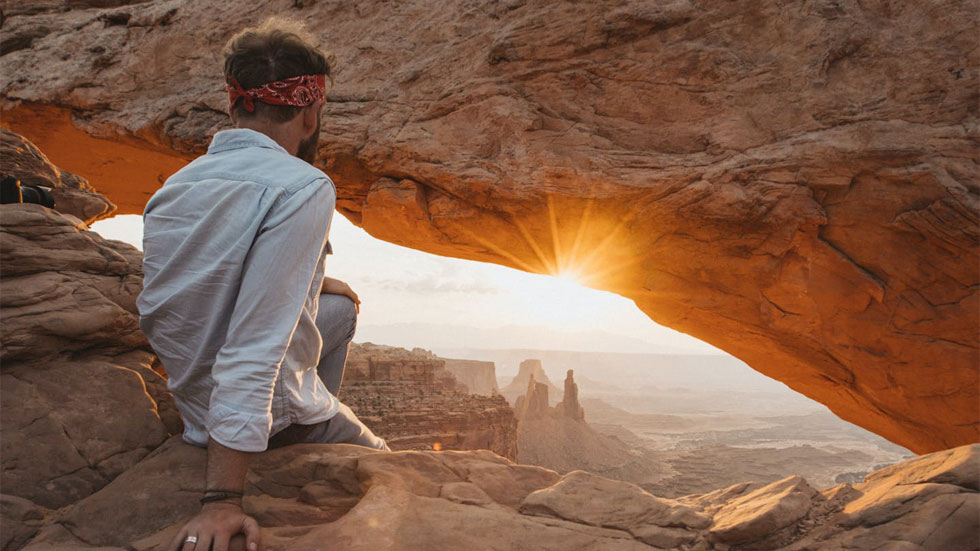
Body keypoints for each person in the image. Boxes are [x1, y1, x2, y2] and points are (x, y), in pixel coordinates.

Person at [136, 19, 389, 551]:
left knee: (339, 309)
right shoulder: (304, 186)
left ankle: (300, 414)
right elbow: (252, 348)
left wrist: (318, 281)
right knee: (388, 464)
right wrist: (221, 501)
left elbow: (195, 294)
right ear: (311, 109)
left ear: (235, 103)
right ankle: (299, 438)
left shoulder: (176, 185)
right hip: (250, 415)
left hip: (196, 405)